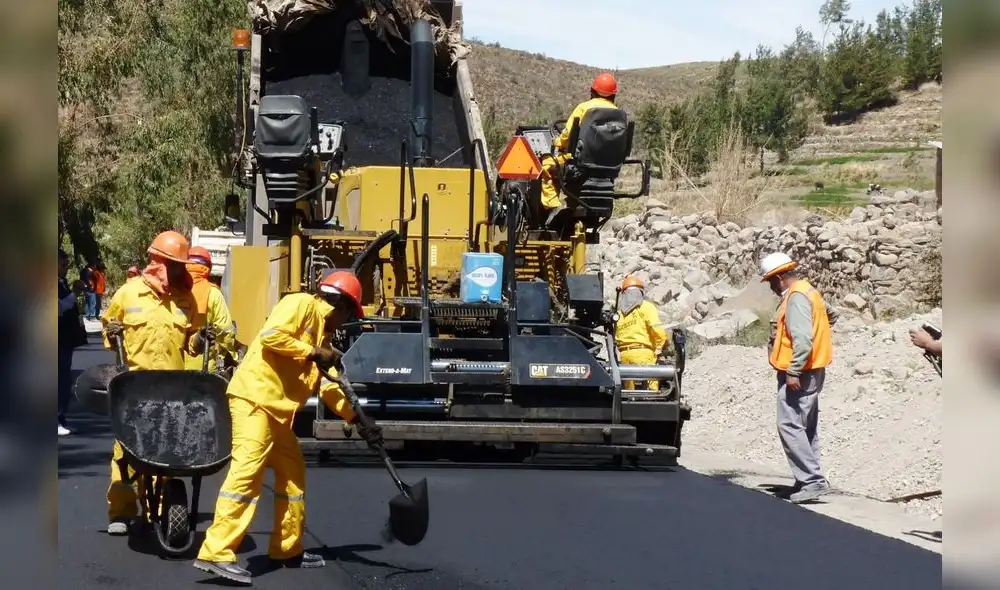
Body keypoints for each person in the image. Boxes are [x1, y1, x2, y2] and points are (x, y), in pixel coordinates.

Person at [193, 271, 384, 586]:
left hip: (277, 411)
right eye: (350, 313)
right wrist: (312, 352)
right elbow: (272, 337)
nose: (347, 320)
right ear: (341, 305)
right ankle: (216, 552)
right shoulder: (300, 305)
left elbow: (328, 385)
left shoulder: (322, 336)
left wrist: (358, 419)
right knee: (246, 474)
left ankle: (286, 548)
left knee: (293, 471)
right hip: (254, 399)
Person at [100, 230, 207, 535]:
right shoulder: (129, 293)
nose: (179, 270)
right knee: (126, 453)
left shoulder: (186, 299)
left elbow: (191, 344)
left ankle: (162, 507)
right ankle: (120, 510)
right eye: (174, 264)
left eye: (181, 265)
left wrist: (202, 339)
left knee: (165, 449)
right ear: (159, 262)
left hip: (171, 390)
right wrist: (112, 332)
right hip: (134, 388)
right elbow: (109, 331)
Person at [761, 252, 840, 504]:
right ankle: (807, 479)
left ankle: (812, 481)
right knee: (806, 426)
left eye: (772, 281)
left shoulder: (795, 298)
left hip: (800, 373)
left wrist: (794, 370)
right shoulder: (809, 291)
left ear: (782, 277)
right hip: (812, 369)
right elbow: (831, 316)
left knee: (790, 425)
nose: (772, 286)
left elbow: (803, 338)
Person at [539, 72, 620, 222]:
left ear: (592, 92)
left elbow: (568, 135)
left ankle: (552, 206)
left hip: (580, 165)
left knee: (545, 166)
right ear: (613, 95)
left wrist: (557, 143)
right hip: (608, 168)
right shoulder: (618, 113)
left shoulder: (584, 108)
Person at [184, 246, 237, 373]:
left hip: (173, 368)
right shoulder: (213, 293)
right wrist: (230, 354)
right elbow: (225, 330)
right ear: (207, 267)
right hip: (203, 366)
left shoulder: (174, 291)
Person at [614, 275, 668, 390]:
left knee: (629, 395)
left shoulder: (618, 315)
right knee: (651, 393)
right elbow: (658, 331)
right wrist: (660, 348)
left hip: (625, 356)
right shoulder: (647, 307)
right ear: (640, 292)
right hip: (644, 354)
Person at [58, 249, 88, 436]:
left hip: (65, 340)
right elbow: (58, 308)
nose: (65, 268)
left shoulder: (61, 283)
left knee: (63, 380)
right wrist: (75, 293)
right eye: (62, 265)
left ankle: (60, 418)